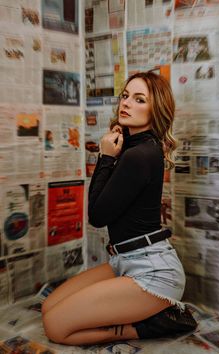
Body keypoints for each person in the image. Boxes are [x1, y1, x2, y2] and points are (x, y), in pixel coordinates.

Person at [42, 71, 197, 345]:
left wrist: (104, 158)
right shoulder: (132, 147)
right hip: (124, 260)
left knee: (55, 327)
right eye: (125, 96)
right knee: (47, 307)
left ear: (156, 108)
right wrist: (111, 156)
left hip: (153, 272)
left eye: (139, 99)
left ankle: (152, 324)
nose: (126, 103)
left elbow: (97, 217)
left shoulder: (140, 154)